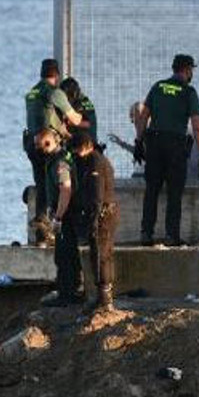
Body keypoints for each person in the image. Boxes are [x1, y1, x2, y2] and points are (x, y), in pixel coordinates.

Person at [138, 53, 199, 246]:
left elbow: (143, 116)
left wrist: (138, 141)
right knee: (174, 192)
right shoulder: (188, 91)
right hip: (175, 145)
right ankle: (171, 235)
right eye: (191, 69)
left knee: (151, 189)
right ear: (187, 70)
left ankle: (146, 232)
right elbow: (197, 127)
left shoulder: (158, 86)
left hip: (154, 143)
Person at [24, 58, 88, 246]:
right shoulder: (54, 92)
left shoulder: (32, 92)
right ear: (57, 75)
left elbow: (46, 117)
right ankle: (49, 228)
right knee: (55, 186)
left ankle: (41, 233)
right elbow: (75, 120)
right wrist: (81, 116)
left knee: (41, 184)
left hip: (32, 144)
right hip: (48, 146)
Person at [67, 129, 119, 311]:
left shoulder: (96, 162)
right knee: (101, 254)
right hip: (102, 213)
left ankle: (104, 299)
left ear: (87, 146)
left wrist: (94, 219)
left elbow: (97, 193)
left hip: (102, 215)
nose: (75, 153)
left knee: (101, 255)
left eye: (77, 150)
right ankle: (102, 296)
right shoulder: (86, 161)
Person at [35, 127, 86, 306]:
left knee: (65, 255)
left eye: (39, 146)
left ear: (48, 143)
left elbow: (66, 189)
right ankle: (70, 291)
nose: (37, 150)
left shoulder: (60, 163)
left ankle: (68, 295)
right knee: (66, 253)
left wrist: (58, 217)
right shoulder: (56, 159)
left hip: (67, 214)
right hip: (66, 213)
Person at [60, 76, 98, 143]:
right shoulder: (75, 101)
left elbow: (88, 124)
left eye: (66, 95)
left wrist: (70, 122)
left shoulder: (84, 103)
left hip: (87, 144)